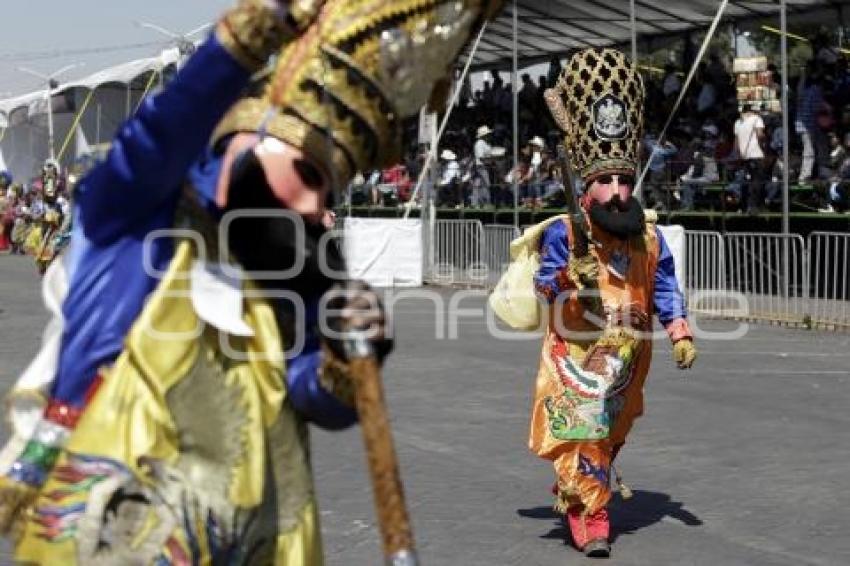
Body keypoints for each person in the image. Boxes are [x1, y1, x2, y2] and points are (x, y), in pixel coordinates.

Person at [0, 0, 501, 563]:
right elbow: (159, 135)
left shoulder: (294, 273)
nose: (317, 208)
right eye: (308, 175)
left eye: (330, 194)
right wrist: (249, 35)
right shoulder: (138, 217)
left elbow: (309, 393)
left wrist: (344, 356)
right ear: (248, 136)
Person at [537, 47, 697, 558]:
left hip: (630, 358)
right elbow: (544, 287)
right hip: (578, 354)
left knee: (607, 436)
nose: (618, 191)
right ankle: (592, 515)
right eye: (606, 181)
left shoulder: (647, 237)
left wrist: (679, 331)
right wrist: (567, 273)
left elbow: (665, 285)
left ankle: (583, 490)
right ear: (585, 190)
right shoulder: (565, 232)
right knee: (584, 432)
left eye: (625, 180)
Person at [734, 104, 767, 214]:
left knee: (746, 181)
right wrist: (764, 145)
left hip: (744, 156)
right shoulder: (757, 119)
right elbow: (760, 134)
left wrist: (740, 155)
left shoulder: (738, 123)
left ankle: (743, 206)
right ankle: (754, 207)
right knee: (758, 181)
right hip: (756, 154)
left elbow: (737, 143)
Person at [643, 133, 677, 211]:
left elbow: (645, 141)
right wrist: (669, 143)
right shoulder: (663, 150)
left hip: (656, 172)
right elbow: (674, 150)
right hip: (661, 171)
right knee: (659, 189)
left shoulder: (654, 148)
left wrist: (655, 140)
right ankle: (663, 204)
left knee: (656, 187)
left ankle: (660, 202)